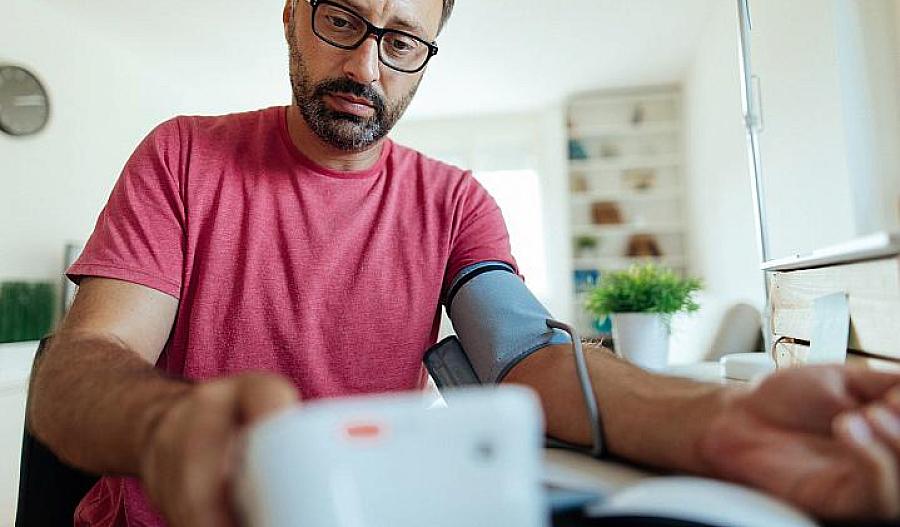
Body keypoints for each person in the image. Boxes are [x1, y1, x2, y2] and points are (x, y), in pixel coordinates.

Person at [29, 0, 900, 525]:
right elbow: (81, 364)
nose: (365, 63)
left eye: (403, 39)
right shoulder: (182, 158)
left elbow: (524, 357)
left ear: (429, 53)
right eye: (342, 19)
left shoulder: (453, 203)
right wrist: (163, 425)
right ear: (291, 12)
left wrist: (722, 423)